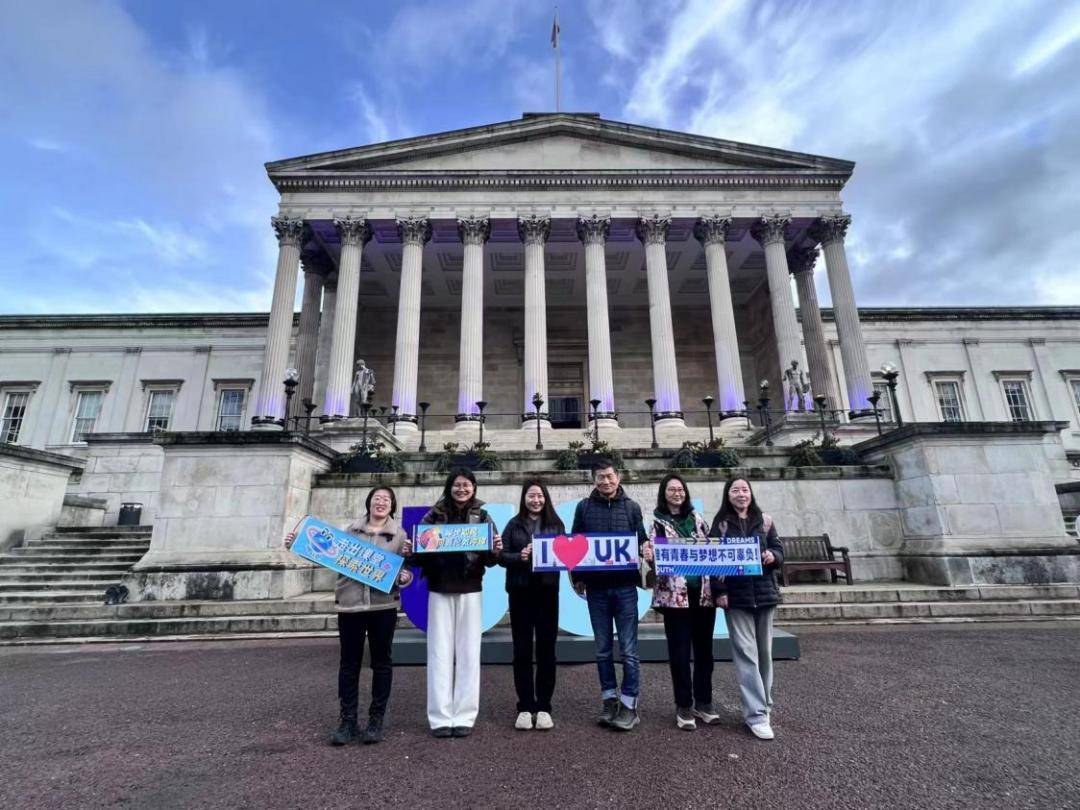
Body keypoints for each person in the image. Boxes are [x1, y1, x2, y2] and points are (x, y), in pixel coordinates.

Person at [284, 486, 412, 746]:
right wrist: (297, 544)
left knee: (382, 663)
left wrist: (406, 576)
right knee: (349, 664)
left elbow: (404, 573)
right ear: (369, 503)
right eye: (377, 498)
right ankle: (348, 720)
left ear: (392, 506)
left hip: (382, 606)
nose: (381, 502)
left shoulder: (400, 536)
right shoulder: (349, 531)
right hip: (350, 605)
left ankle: (376, 720)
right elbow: (326, 555)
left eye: (386, 499)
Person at [413, 467, 502, 738]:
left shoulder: (483, 516)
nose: (461, 489)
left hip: (471, 587)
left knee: (469, 653)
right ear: (449, 487)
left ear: (474, 488)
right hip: (439, 587)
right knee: (438, 652)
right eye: (457, 485)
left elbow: (490, 558)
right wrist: (413, 547)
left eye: (466, 485)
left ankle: (464, 714)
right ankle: (440, 716)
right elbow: (420, 553)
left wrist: (495, 548)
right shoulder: (434, 514)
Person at [570, 459, 649, 732]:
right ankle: (609, 701)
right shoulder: (584, 507)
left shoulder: (632, 508)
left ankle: (629, 705)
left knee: (629, 651)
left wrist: (647, 548)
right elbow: (575, 543)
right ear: (593, 480)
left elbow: (641, 540)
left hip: (626, 588)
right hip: (597, 590)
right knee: (602, 650)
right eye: (600, 477)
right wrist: (577, 577)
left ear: (619, 477)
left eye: (610, 476)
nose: (605, 481)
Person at [645, 473, 724, 731]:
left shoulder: (698, 519)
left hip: (703, 595)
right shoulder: (657, 523)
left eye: (680, 489)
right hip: (674, 598)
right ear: (663, 493)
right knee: (679, 653)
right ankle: (683, 705)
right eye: (672, 490)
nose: (677, 493)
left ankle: (704, 702)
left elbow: (712, 551)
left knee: (704, 653)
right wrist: (649, 555)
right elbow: (653, 558)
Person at [709, 477, 785, 741]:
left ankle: (765, 705)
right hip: (737, 598)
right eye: (735, 490)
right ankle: (756, 715)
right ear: (727, 495)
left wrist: (773, 556)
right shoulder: (720, 525)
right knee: (746, 654)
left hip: (764, 594)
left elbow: (779, 550)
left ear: (750, 493)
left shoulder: (765, 521)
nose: (741, 494)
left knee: (764, 654)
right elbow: (713, 563)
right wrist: (720, 593)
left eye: (744, 489)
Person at [499, 479, 564, 731]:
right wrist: (520, 556)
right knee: (522, 650)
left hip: (548, 592)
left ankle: (545, 706)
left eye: (539, 496)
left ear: (545, 498)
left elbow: (567, 554)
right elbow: (500, 556)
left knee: (547, 650)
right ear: (523, 498)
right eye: (530, 495)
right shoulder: (513, 524)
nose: (535, 500)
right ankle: (525, 705)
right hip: (520, 591)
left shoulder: (556, 525)